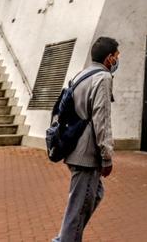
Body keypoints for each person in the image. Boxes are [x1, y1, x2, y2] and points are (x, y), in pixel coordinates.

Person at [54, 36, 119, 242]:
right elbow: (102, 118)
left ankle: (67, 237)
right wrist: (106, 156)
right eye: (117, 56)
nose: (118, 60)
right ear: (109, 58)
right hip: (87, 152)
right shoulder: (103, 78)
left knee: (94, 195)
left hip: (74, 146)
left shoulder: (81, 75)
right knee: (79, 206)